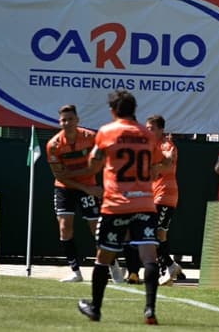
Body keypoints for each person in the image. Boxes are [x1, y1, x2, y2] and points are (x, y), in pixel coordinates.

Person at [77, 90, 164, 324]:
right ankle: (149, 309)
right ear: (134, 109)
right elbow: (157, 165)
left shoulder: (107, 132)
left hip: (116, 204)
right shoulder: (147, 134)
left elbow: (94, 165)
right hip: (145, 203)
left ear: (113, 110)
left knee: (103, 257)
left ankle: (95, 308)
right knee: (149, 258)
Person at [47, 104, 124, 283]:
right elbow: (60, 176)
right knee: (65, 228)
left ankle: (113, 266)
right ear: (59, 122)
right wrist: (86, 185)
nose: (67, 123)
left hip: (89, 186)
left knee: (96, 229)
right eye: (63, 120)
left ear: (77, 120)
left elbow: (98, 165)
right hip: (65, 188)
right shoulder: (53, 145)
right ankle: (75, 271)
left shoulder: (91, 138)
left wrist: (80, 177)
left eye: (70, 119)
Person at [145, 115, 184, 286]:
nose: (148, 131)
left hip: (165, 195)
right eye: (147, 128)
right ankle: (167, 271)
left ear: (161, 130)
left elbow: (168, 163)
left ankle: (169, 266)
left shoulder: (168, 145)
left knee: (153, 235)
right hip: (154, 195)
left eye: (152, 128)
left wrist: (154, 166)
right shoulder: (149, 147)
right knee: (160, 235)